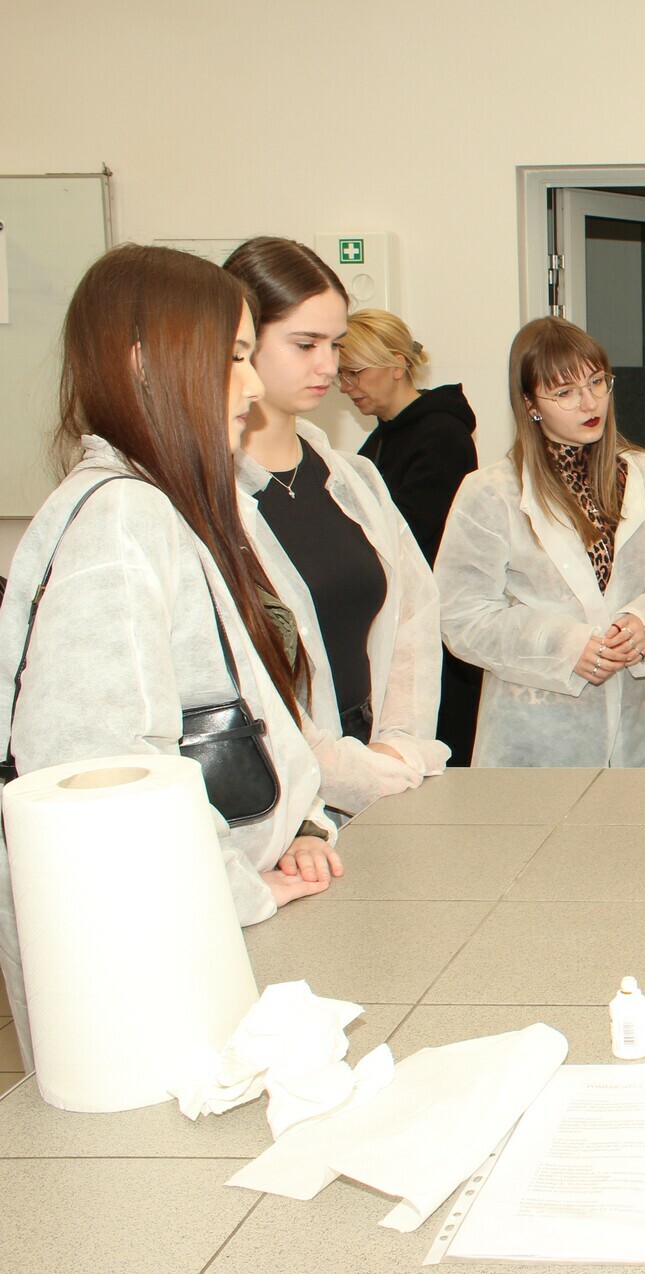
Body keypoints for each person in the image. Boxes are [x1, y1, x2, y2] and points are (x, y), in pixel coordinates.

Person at [0, 246, 344, 1068]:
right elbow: (100, 781)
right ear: (145, 364)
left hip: (191, 925)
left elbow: (223, 713)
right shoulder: (119, 519)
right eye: (234, 357)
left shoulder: (156, 504)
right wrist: (235, 887)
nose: (252, 385)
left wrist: (291, 825)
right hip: (146, 956)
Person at [223, 238, 448, 814]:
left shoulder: (354, 480)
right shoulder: (207, 497)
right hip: (275, 803)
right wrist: (337, 771)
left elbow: (413, 616)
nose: (328, 366)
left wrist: (395, 746)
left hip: (385, 773)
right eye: (305, 344)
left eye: (336, 344)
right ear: (239, 342)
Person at [436, 317, 645, 766]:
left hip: (638, 728)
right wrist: (564, 647)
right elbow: (462, 616)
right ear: (530, 403)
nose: (589, 403)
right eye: (565, 392)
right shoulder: (492, 493)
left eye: (597, 382)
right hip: (537, 735)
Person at [339, 307, 482, 765]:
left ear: (397, 364)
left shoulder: (440, 435)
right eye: (341, 374)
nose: (345, 386)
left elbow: (415, 542)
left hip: (438, 635)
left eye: (355, 372)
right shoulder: (383, 438)